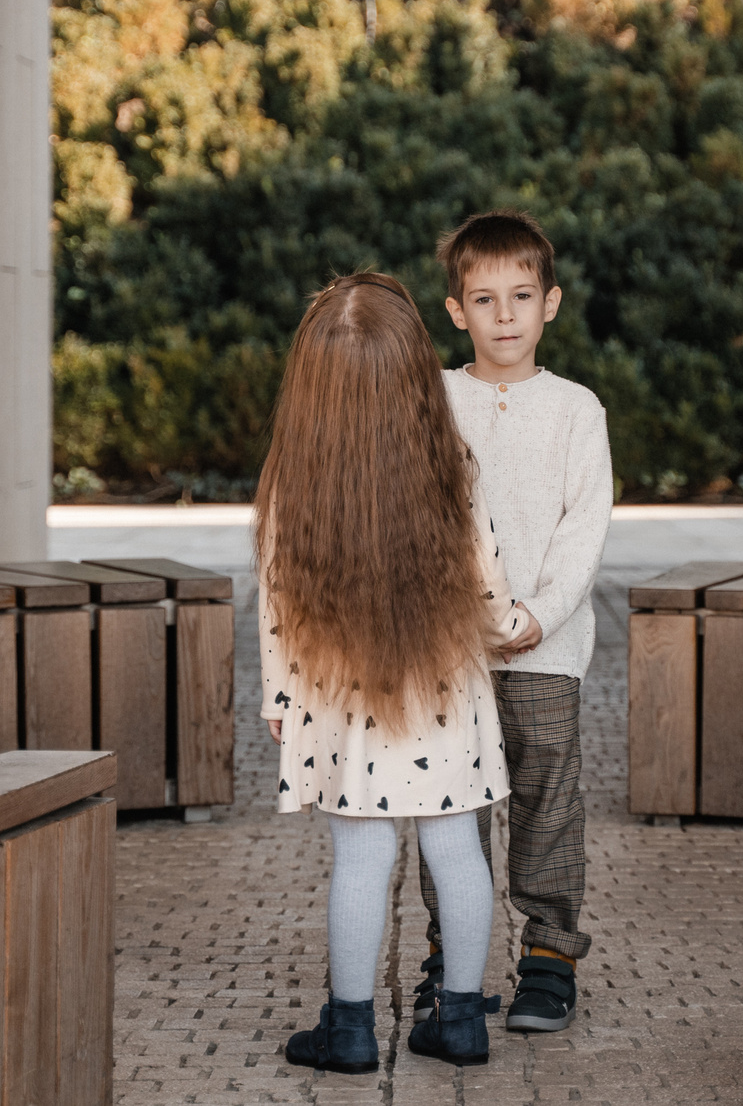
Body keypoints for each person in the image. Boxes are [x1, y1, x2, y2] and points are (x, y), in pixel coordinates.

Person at [259, 272, 532, 1073]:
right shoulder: (449, 459)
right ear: (415, 369)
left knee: (362, 858)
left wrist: (280, 695)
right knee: (457, 852)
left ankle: (347, 1029)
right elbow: (489, 585)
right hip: (446, 688)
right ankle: (461, 1020)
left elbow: (275, 598)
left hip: (343, 696)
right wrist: (514, 627)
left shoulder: (291, 476)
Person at [415, 210, 613, 1038]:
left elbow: (585, 522)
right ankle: (451, 959)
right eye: (485, 298)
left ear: (551, 303)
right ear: (456, 310)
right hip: (449, 651)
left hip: (546, 647)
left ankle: (549, 956)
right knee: (449, 805)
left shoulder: (575, 408)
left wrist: (538, 614)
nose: (505, 315)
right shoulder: (434, 399)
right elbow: (423, 513)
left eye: (521, 296)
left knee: (545, 797)